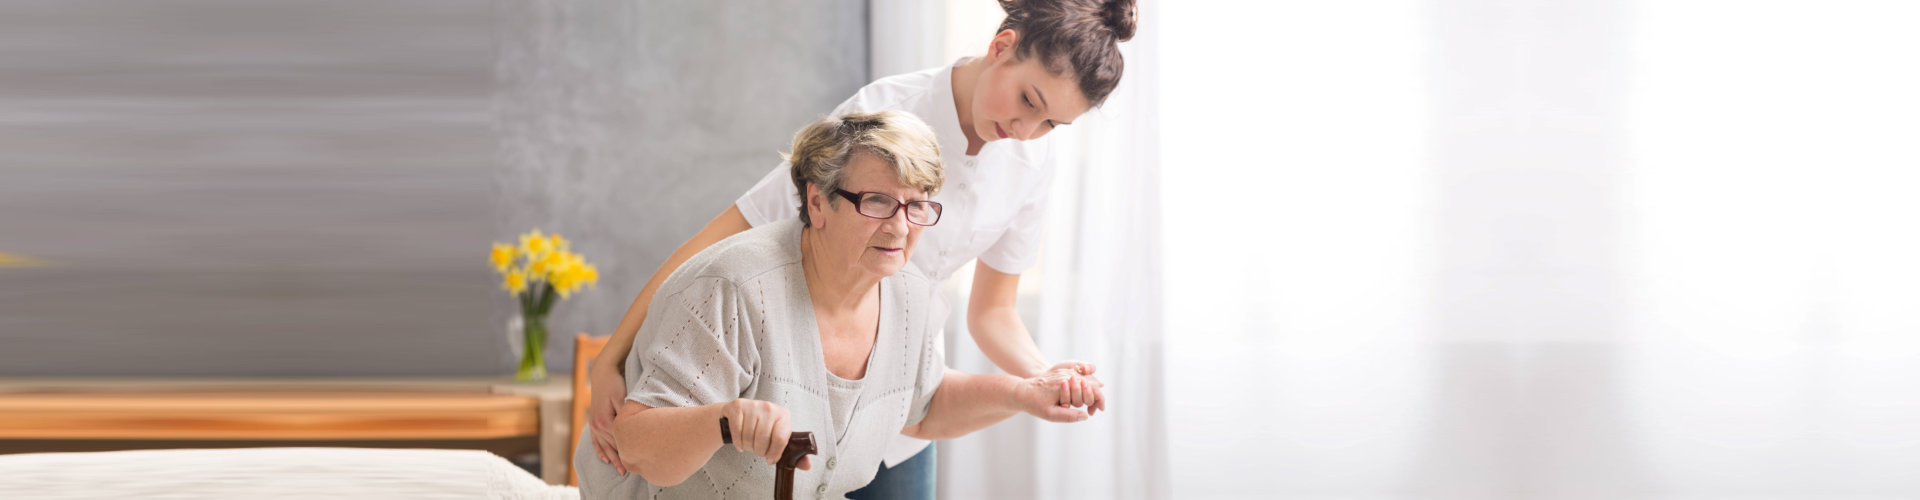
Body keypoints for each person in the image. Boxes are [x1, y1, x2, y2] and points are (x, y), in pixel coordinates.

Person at [587, 0, 1140, 497]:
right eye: (1028, 100)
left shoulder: (1032, 164)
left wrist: (1043, 381)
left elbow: (993, 313)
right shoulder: (881, 116)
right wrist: (611, 356)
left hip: (902, 396)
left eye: (1050, 123)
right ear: (1001, 47)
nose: (1025, 130)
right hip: (793, 393)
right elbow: (727, 236)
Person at [571, 111, 1090, 499]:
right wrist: (723, 420)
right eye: (878, 202)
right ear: (817, 202)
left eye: (917, 205)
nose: (900, 226)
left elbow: (923, 406)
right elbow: (636, 442)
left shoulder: (910, 296)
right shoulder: (733, 288)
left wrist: (1023, 394)